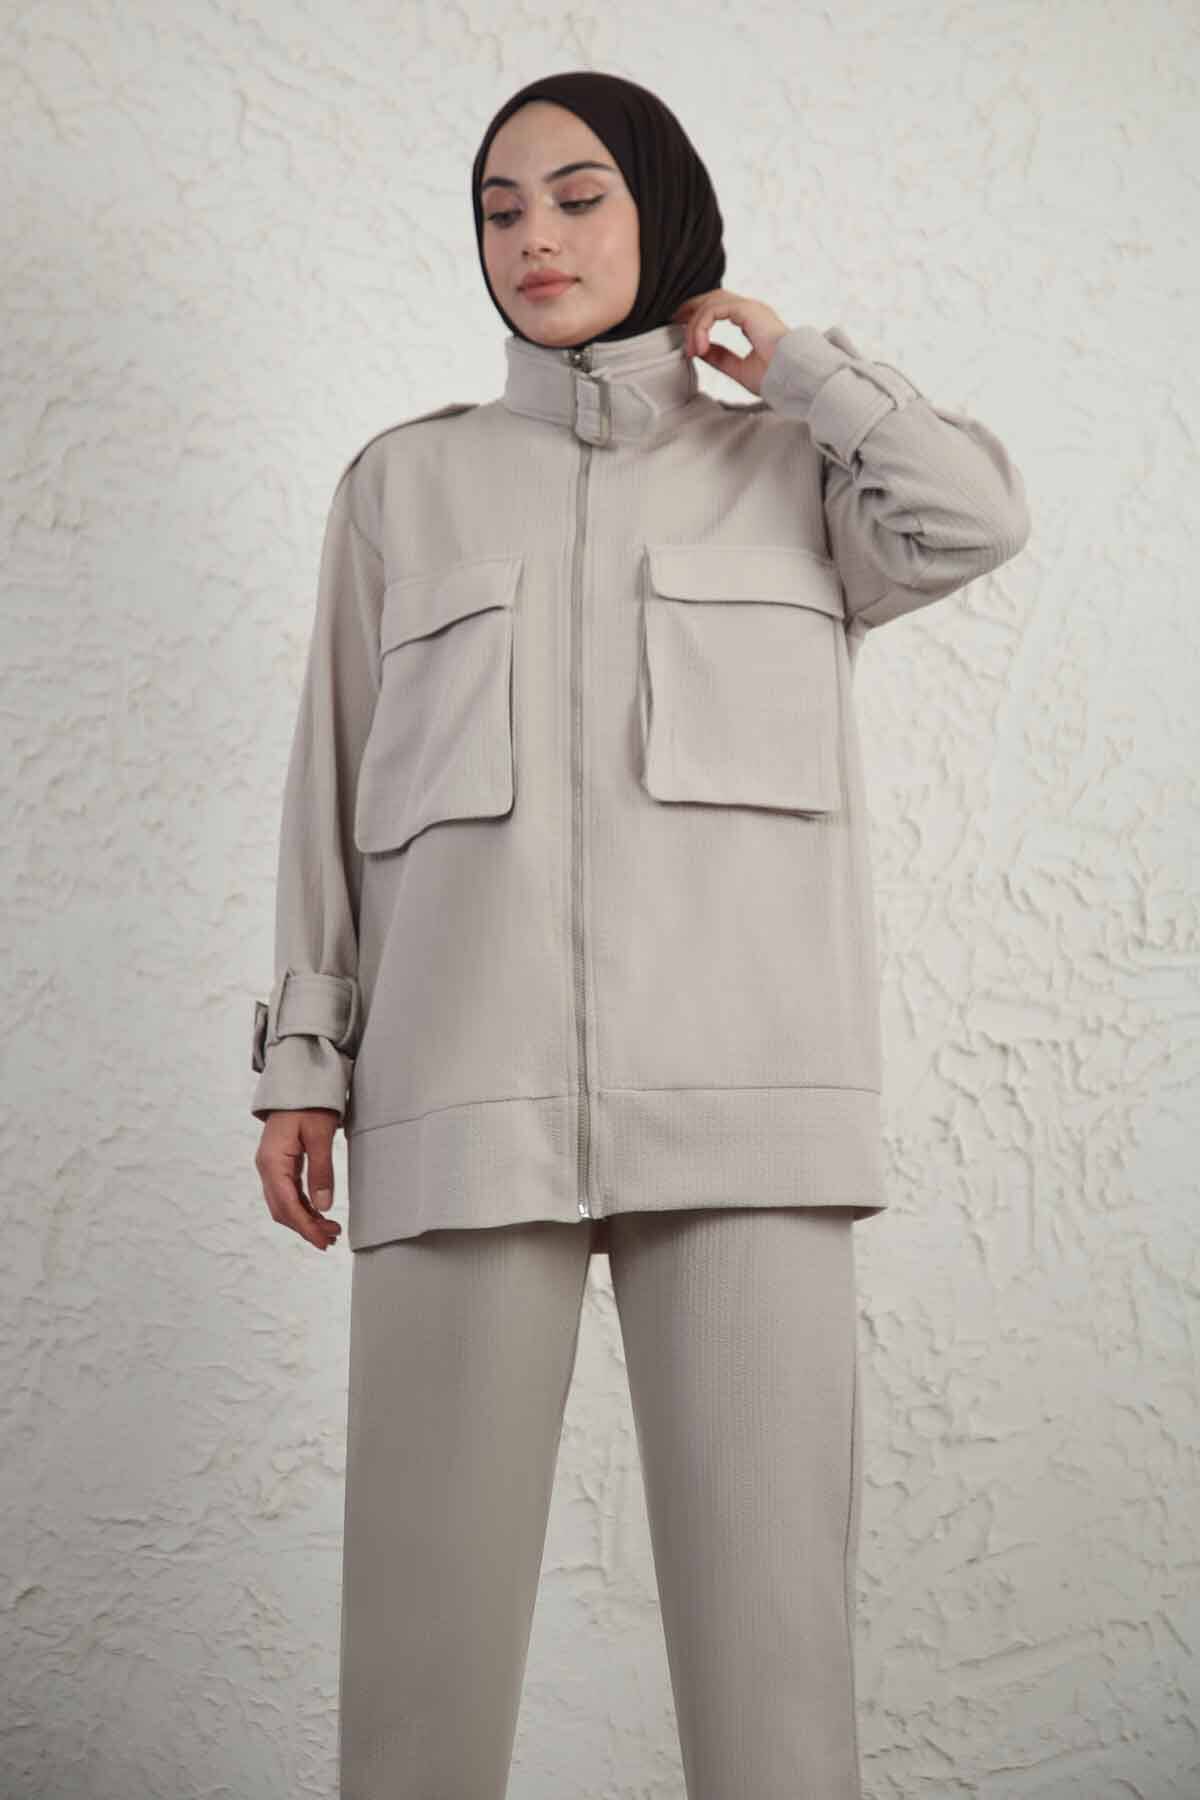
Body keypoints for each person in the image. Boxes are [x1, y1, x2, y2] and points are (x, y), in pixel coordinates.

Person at [250, 69, 1031, 1800]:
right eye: (500, 208)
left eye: (579, 195)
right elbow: (332, 777)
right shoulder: (405, 487)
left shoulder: (793, 473)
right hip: (462, 1099)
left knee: (773, 1675)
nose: (534, 237)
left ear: (661, 210)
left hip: (747, 1113)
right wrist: (304, 1061)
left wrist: (802, 367)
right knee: (418, 1671)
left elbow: (976, 517)